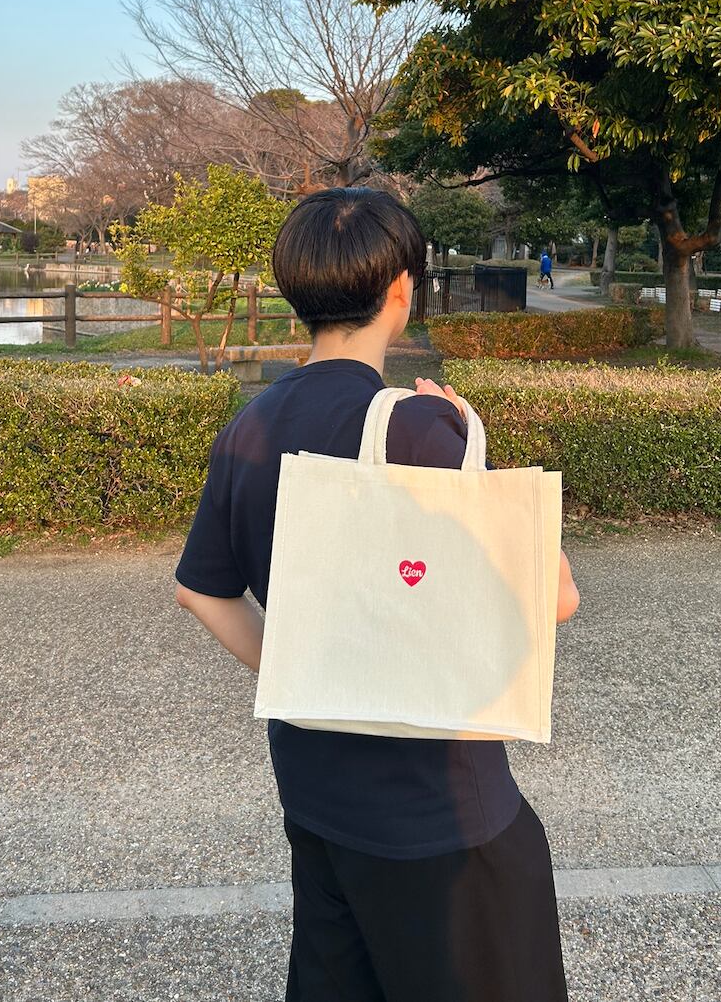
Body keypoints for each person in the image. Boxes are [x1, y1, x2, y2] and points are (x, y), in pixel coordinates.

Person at [174, 187, 580, 1002]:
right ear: (402, 288)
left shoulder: (249, 425)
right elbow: (556, 595)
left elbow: (201, 593)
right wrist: (468, 445)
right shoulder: (416, 428)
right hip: (440, 814)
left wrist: (308, 673)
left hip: (316, 797)